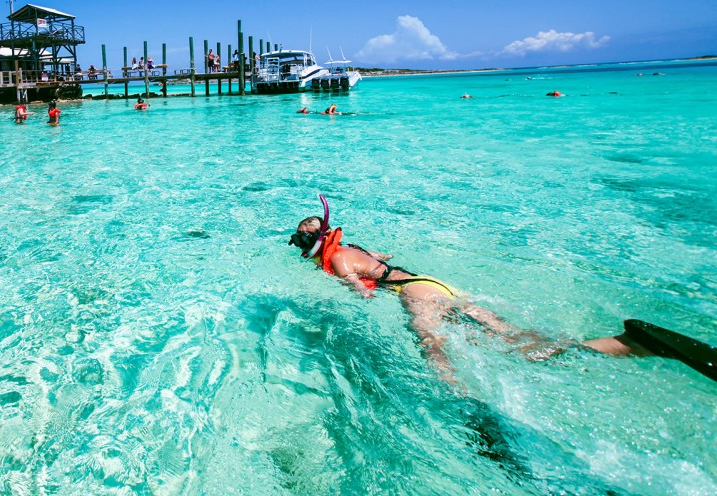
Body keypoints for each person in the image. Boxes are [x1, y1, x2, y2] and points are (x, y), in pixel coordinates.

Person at [290, 196, 717, 384]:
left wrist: (347, 299)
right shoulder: (352, 247)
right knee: (518, 343)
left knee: (430, 345)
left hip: (416, 295)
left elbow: (362, 291)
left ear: (310, 243)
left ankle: (461, 402)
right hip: (434, 284)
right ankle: (628, 344)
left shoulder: (340, 259)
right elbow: (384, 260)